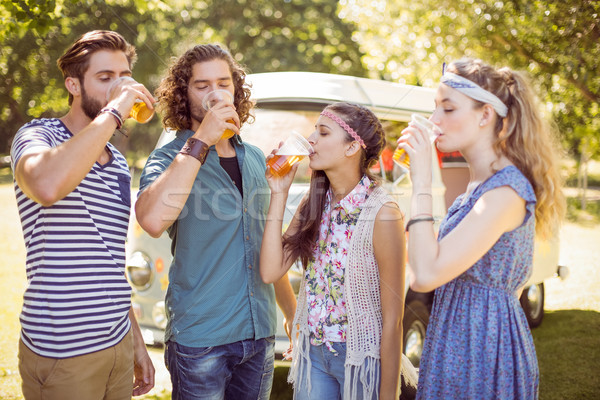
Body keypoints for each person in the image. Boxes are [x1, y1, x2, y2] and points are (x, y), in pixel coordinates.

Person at [134, 44, 297, 400]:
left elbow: (266, 241)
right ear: (183, 93)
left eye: (223, 83)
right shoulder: (168, 158)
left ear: (236, 90)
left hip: (259, 335)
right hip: (200, 341)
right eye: (202, 85)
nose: (215, 93)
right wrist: (203, 139)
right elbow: (151, 220)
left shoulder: (255, 158)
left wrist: (291, 312)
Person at [398, 58, 565, 399]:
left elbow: (426, 275)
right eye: (435, 108)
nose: (435, 121)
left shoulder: (505, 192)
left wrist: (422, 181)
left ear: (485, 115)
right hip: (455, 338)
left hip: (483, 349)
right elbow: (426, 260)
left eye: (448, 108)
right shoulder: (479, 186)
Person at [10, 30, 156, 399]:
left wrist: (135, 341)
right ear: (73, 84)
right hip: (63, 351)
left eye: (124, 78)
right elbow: (45, 186)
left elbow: (108, 258)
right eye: (105, 78)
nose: (119, 87)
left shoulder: (119, 164)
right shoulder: (38, 136)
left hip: (117, 343)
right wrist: (115, 110)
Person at [260, 102, 408, 400]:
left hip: (361, 357)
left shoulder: (382, 213)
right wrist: (279, 193)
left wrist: (388, 396)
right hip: (313, 353)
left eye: (323, 132)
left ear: (352, 147)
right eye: (315, 130)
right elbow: (270, 270)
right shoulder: (314, 204)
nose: (310, 139)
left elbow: (393, 322)